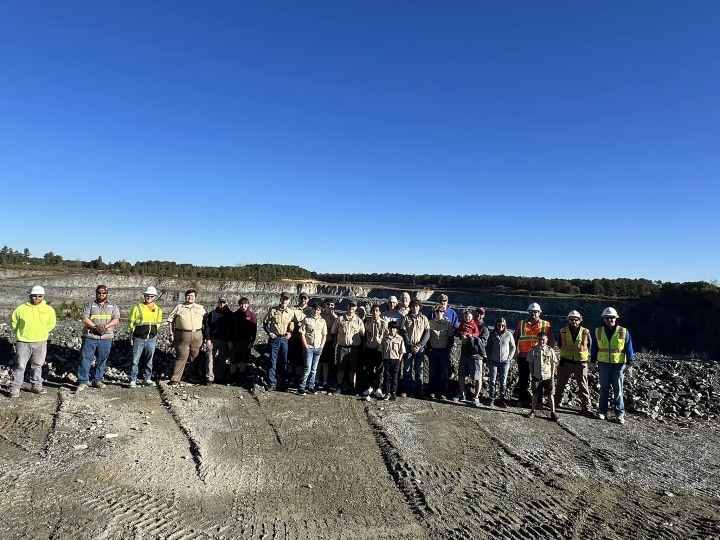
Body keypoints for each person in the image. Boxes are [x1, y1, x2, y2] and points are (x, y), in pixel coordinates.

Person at [8, 286, 56, 398]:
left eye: (40, 296)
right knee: (20, 365)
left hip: (41, 342)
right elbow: (14, 323)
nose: (37, 298)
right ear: (30, 296)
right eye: (35, 296)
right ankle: (15, 387)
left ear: (43, 296)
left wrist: (42, 332)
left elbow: (51, 323)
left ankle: (36, 385)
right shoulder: (21, 309)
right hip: (23, 342)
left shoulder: (48, 310)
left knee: (37, 365)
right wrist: (21, 333)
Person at [591, 307, 635, 425]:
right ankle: (602, 411)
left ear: (616, 318)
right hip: (603, 364)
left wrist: (630, 363)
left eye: (612, 318)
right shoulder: (598, 331)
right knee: (604, 389)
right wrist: (592, 360)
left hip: (618, 365)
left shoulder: (623, 331)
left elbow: (629, 348)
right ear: (604, 319)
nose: (609, 320)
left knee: (618, 390)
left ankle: (619, 414)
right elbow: (594, 347)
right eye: (607, 318)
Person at [76, 285, 121, 391]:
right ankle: (83, 382)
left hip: (106, 338)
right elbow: (84, 318)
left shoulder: (113, 306)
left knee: (102, 360)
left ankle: (98, 380)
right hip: (90, 337)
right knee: (85, 359)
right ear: (96, 293)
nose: (101, 295)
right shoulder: (89, 305)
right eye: (99, 293)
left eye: (103, 293)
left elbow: (116, 319)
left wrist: (105, 327)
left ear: (107, 294)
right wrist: (95, 327)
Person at [513, 302, 555, 405]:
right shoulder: (521, 323)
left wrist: (547, 354)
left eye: (536, 312)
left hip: (539, 357)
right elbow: (515, 338)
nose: (533, 314)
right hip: (524, 355)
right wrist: (515, 351)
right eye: (531, 312)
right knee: (523, 378)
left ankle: (539, 401)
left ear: (540, 313)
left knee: (539, 379)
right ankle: (522, 399)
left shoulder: (546, 324)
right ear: (528, 312)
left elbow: (551, 341)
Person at [556, 310, 594, 415]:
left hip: (580, 363)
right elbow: (560, 344)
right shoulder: (563, 331)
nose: (574, 321)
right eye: (572, 319)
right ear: (568, 320)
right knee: (560, 384)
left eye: (576, 320)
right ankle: (556, 402)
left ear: (580, 320)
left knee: (583, 385)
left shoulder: (585, 332)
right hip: (565, 361)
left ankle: (587, 406)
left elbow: (590, 346)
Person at [167, 289, 207, 387]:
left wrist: (207, 337)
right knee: (181, 357)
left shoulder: (201, 308)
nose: (190, 298)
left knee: (195, 357)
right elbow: (170, 320)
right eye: (188, 296)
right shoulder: (179, 307)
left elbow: (207, 323)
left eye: (192, 296)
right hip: (182, 335)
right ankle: (175, 379)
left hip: (197, 334)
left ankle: (194, 377)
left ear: (195, 297)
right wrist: (171, 333)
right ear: (185, 297)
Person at [127, 286, 163, 388]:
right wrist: (135, 333)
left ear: (155, 297)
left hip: (151, 339)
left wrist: (153, 333)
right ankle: (133, 379)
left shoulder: (158, 310)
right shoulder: (137, 308)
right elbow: (130, 322)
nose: (149, 298)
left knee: (149, 360)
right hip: (139, 338)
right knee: (135, 360)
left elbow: (158, 323)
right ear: (144, 296)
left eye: (151, 296)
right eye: (147, 296)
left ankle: (147, 378)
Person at [262, 292, 296, 391]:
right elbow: (265, 323)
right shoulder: (273, 310)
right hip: (275, 338)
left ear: (289, 301)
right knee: (273, 361)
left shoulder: (291, 312)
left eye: (286, 299)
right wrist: (269, 332)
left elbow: (293, 324)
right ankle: (272, 383)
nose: (284, 301)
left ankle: (283, 383)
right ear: (280, 299)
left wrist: (291, 333)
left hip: (284, 339)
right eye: (283, 299)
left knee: (284, 361)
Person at [330, 299, 365, 394]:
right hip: (342, 347)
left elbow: (363, 333)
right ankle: (339, 386)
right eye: (350, 305)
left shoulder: (359, 321)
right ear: (347, 306)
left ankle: (352, 386)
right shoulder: (340, 319)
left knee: (353, 368)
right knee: (340, 367)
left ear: (356, 308)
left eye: (353, 306)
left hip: (354, 348)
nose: (351, 308)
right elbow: (333, 331)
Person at [400, 299, 430, 398]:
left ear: (419, 307)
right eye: (413, 306)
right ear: (410, 307)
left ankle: (419, 391)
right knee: (407, 369)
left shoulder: (424, 318)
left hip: (419, 349)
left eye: (417, 306)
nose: (415, 308)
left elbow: (427, 333)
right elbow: (403, 332)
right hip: (409, 348)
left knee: (419, 370)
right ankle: (405, 390)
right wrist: (410, 345)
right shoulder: (406, 318)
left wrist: (420, 345)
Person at [527, 331, 559, 421]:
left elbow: (553, 363)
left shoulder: (550, 350)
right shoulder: (533, 350)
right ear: (537, 340)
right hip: (537, 375)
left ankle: (553, 412)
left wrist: (552, 375)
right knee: (535, 393)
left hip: (548, 376)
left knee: (550, 394)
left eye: (543, 339)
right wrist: (532, 373)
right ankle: (533, 410)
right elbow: (530, 363)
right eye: (540, 339)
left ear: (547, 340)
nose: (542, 341)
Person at [202, 297, 234, 385]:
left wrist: (230, 340)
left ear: (226, 303)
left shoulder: (230, 315)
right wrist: (208, 339)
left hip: (225, 340)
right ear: (218, 303)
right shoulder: (212, 313)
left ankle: (219, 376)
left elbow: (232, 329)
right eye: (220, 302)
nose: (222, 304)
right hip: (213, 339)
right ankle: (209, 378)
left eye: (223, 303)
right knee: (210, 358)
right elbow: (207, 327)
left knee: (222, 359)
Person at [485, 317, 516, 408]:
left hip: (505, 362)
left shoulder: (509, 334)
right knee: (492, 381)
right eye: (499, 325)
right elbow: (488, 348)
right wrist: (488, 359)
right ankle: (492, 398)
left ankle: (502, 399)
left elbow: (513, 347)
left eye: (503, 325)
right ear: (496, 325)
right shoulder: (492, 334)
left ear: (505, 325)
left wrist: (510, 357)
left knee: (503, 381)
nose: (501, 327)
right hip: (493, 361)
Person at [297, 302, 327, 395]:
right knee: (307, 368)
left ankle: (311, 386)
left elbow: (324, 335)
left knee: (314, 369)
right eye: (314, 309)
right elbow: (302, 333)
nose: (316, 311)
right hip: (309, 348)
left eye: (318, 310)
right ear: (312, 310)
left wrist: (321, 346)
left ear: (320, 311)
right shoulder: (306, 319)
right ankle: (301, 387)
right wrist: (306, 346)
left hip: (318, 348)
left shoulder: (323, 321)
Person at [455, 310, 483, 405]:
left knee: (477, 376)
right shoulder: (463, 324)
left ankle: (476, 397)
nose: (478, 316)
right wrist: (462, 335)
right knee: (461, 374)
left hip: (475, 356)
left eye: (481, 314)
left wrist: (471, 336)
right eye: (477, 314)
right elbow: (459, 332)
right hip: (464, 354)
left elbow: (481, 338)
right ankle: (462, 394)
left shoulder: (482, 327)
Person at [426, 304, 454, 400]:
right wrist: (429, 348)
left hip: (443, 351)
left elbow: (451, 338)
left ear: (443, 313)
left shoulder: (448, 324)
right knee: (432, 371)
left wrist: (448, 348)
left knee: (443, 372)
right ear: (434, 313)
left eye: (441, 311)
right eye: (437, 311)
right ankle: (432, 391)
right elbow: (427, 336)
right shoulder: (430, 323)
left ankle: (443, 392)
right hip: (433, 350)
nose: (439, 313)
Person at [362, 304, 388, 400]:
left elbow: (386, 337)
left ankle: (379, 388)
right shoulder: (367, 324)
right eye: (373, 310)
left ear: (380, 312)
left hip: (379, 349)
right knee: (369, 369)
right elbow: (365, 337)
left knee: (380, 370)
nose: (375, 312)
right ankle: (370, 386)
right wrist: (364, 348)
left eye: (377, 310)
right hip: (370, 348)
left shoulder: (384, 324)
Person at [229, 297, 257, 386]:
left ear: (248, 304)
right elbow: (230, 329)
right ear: (239, 305)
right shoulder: (234, 315)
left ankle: (241, 380)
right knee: (233, 361)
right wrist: (230, 341)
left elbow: (254, 330)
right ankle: (232, 379)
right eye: (241, 304)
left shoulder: (252, 315)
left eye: (245, 304)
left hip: (246, 343)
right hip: (235, 342)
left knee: (243, 361)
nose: (243, 306)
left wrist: (252, 341)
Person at [288, 292, 311, 387]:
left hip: (304, 339)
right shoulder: (293, 309)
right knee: (290, 359)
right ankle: (289, 379)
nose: (303, 300)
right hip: (293, 338)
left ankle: (298, 379)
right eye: (301, 298)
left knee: (300, 361)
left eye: (305, 298)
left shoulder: (310, 311)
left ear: (308, 300)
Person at [381, 321, 406, 401]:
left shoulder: (400, 338)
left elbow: (402, 350)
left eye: (394, 328)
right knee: (387, 377)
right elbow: (382, 349)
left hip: (396, 360)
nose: (392, 330)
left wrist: (399, 360)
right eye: (391, 328)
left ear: (397, 329)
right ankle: (387, 392)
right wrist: (383, 358)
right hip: (387, 360)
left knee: (395, 377)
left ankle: (393, 392)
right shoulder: (385, 338)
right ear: (388, 329)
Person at [318, 298, 338, 390]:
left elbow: (336, 333)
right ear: (325, 305)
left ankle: (325, 382)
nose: (329, 306)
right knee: (318, 362)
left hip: (329, 342)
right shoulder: (320, 315)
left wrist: (334, 344)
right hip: (318, 341)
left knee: (326, 363)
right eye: (328, 304)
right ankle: (316, 380)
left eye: (331, 305)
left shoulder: (335, 318)